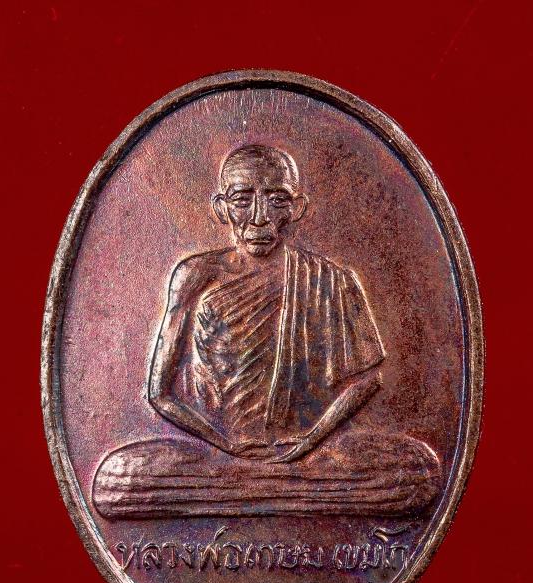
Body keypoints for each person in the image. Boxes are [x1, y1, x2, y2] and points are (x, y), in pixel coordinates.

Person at [93, 145, 439, 518]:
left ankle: (259, 488)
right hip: (217, 453)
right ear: (221, 208)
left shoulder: (330, 280)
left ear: (297, 208)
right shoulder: (195, 276)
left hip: (305, 452)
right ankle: (271, 488)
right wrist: (224, 444)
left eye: (277, 201)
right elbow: (159, 394)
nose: (259, 218)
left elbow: (367, 380)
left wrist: (310, 441)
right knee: (119, 480)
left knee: (413, 470)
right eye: (242, 200)